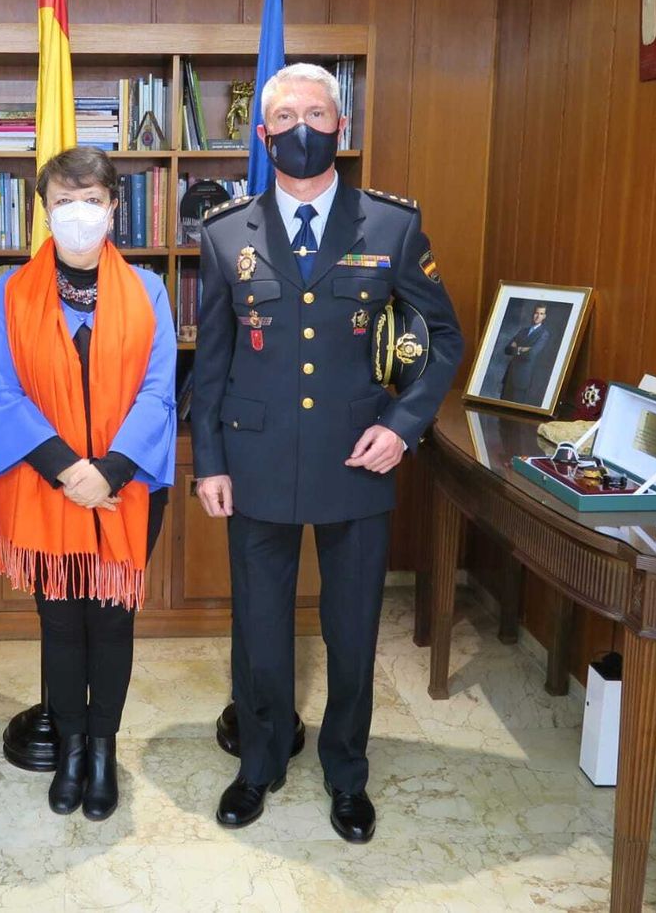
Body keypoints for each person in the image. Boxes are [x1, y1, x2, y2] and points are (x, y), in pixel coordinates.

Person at [191, 63, 463, 843]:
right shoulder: (223, 233)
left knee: (351, 631)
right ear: (262, 131)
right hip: (256, 462)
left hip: (357, 462)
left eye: (318, 112)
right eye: (286, 115)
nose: (301, 126)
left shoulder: (391, 227)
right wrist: (209, 460)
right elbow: (209, 363)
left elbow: (442, 337)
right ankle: (261, 761)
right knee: (261, 629)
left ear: (342, 129)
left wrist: (405, 424)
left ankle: (347, 770)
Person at [0, 147, 176, 822]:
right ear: (44, 210)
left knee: (112, 621)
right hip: (47, 484)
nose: (78, 213)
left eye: (91, 199)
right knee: (61, 622)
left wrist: (110, 472)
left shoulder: (150, 290)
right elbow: (2, 396)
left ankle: (101, 750)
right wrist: (72, 472)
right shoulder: (9, 292)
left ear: (115, 207)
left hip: (128, 487)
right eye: (63, 201)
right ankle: (68, 750)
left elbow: (159, 393)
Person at [500, 303, 550, 403]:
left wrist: (516, 348)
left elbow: (531, 355)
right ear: (533, 314)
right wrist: (521, 349)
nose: (537, 316)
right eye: (536, 313)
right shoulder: (523, 331)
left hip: (522, 379)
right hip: (510, 375)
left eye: (541, 314)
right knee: (501, 408)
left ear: (544, 316)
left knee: (514, 412)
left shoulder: (544, 334)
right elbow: (507, 349)